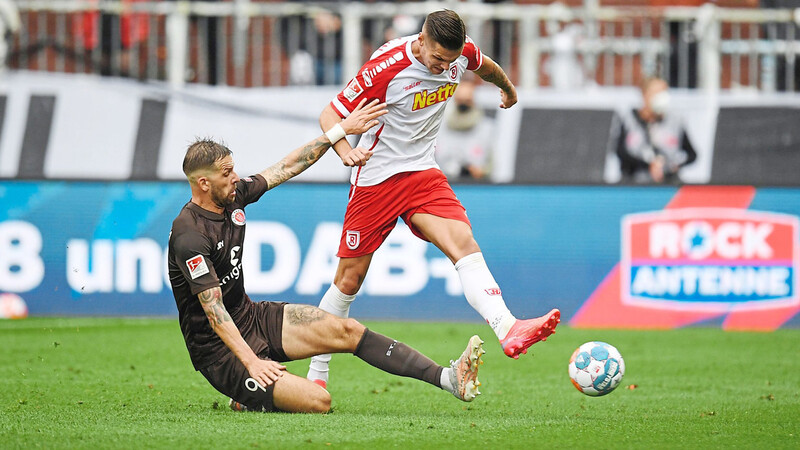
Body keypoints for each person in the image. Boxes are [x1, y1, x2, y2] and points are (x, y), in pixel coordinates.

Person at [167, 99, 485, 413]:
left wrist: (338, 132)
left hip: (253, 318)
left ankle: (448, 378)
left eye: (234, 168)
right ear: (204, 183)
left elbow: (286, 166)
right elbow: (214, 312)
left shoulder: (233, 196)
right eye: (227, 173)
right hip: (219, 350)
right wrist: (251, 362)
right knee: (319, 402)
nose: (235, 177)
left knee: (348, 331)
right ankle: (247, 396)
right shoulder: (190, 234)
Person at [307, 9, 561, 388]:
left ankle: (507, 327)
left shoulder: (459, 54)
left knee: (463, 243)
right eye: (438, 59)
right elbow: (330, 114)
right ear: (422, 40)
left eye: (451, 60)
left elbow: (485, 66)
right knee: (349, 281)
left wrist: (506, 88)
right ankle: (317, 375)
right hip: (376, 178)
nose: (444, 68)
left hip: (423, 172)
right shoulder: (387, 66)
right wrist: (344, 149)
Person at [609, 76, 697, 184]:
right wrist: (648, 165)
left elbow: (691, 155)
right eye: (657, 93)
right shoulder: (628, 119)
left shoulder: (675, 122)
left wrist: (673, 165)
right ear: (645, 95)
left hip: (667, 184)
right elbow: (621, 152)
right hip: (634, 184)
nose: (662, 97)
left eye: (664, 92)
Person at [435, 77, 494, 181]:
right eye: (460, 100)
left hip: (475, 188)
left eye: (467, 100)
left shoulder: (487, 129)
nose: (463, 104)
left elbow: (494, 167)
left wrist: (481, 171)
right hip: (443, 185)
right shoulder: (438, 128)